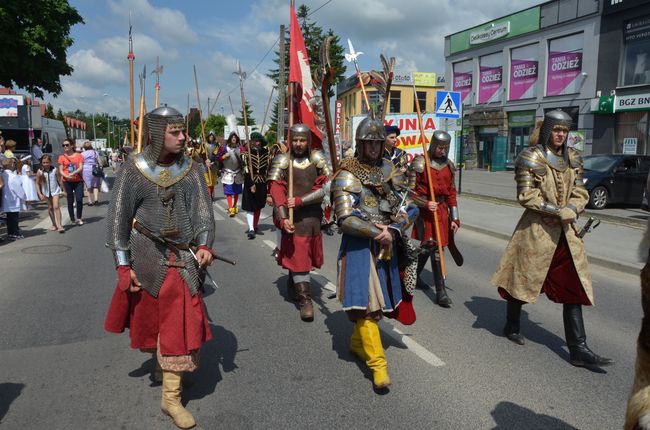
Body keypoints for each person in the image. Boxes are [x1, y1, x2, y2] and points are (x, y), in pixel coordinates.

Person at [104, 106, 215, 429]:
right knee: (155, 321)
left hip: (182, 257)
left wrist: (205, 245)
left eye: (184, 131)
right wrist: (123, 267)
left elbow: (203, 215)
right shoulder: (133, 170)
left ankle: (171, 397)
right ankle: (164, 369)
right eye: (175, 132)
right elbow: (117, 223)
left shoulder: (191, 170)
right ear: (156, 133)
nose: (183, 137)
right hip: (147, 255)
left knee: (180, 323)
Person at [492, 110, 613, 367]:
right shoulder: (530, 157)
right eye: (556, 130)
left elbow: (580, 190)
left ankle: (578, 349)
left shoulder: (573, 157)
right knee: (521, 282)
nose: (560, 134)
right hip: (537, 232)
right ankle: (511, 324)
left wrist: (573, 207)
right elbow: (526, 195)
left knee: (573, 287)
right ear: (548, 130)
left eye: (564, 131)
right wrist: (558, 212)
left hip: (566, 235)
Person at [331, 114, 418, 389]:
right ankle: (378, 365)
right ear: (359, 143)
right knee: (368, 307)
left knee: (376, 304)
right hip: (359, 248)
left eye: (377, 143)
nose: (373, 148)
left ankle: (358, 343)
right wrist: (376, 231)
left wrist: (392, 230)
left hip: (387, 247)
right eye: (368, 143)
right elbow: (344, 218)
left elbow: (409, 206)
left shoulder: (391, 170)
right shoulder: (346, 173)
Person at [267, 124, 331, 322]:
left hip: (312, 216)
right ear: (290, 140)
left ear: (308, 141)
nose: (298, 144)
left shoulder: (317, 159)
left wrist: (302, 200)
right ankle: (305, 300)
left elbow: (328, 186)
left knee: (304, 257)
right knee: (299, 256)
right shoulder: (283, 160)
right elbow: (276, 189)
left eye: (302, 140)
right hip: (292, 217)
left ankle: (294, 278)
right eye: (295, 140)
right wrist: (284, 216)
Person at [410, 130, 460, 307]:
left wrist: (455, 218)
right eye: (440, 147)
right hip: (426, 213)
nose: (443, 151)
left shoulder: (449, 165)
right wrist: (424, 203)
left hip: (441, 211)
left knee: (431, 247)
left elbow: (452, 193)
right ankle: (441, 292)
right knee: (433, 247)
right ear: (432, 145)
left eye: (445, 148)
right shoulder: (420, 163)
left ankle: (413, 275)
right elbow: (409, 192)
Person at [241, 132, 270, 239]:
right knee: (250, 206)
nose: (257, 142)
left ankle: (255, 225)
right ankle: (251, 229)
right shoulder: (246, 154)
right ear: (251, 141)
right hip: (250, 181)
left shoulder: (266, 152)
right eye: (255, 140)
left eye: (258, 140)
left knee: (258, 206)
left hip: (262, 182)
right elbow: (246, 169)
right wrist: (251, 183)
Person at [215, 132, 244, 216]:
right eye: (232, 137)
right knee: (229, 192)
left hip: (238, 172)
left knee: (236, 192)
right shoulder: (224, 148)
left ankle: (235, 207)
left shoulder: (241, 148)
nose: (234, 139)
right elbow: (217, 157)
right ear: (230, 139)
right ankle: (230, 208)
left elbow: (245, 158)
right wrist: (224, 156)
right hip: (228, 172)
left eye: (235, 137)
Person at [58, 138, 85, 225]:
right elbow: (61, 170)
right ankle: (72, 219)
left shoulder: (79, 156)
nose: (65, 146)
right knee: (70, 200)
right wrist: (66, 176)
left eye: (67, 145)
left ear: (72, 145)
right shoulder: (62, 157)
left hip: (78, 180)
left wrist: (74, 172)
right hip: (67, 181)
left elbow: (81, 167)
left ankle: (79, 218)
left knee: (79, 199)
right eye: (64, 145)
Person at [36, 154, 65, 232]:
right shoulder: (40, 172)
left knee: (56, 206)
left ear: (50, 162)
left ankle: (59, 225)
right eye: (44, 162)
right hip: (46, 192)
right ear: (41, 163)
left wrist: (63, 190)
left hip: (55, 191)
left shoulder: (55, 170)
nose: (45, 164)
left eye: (47, 162)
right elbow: (37, 183)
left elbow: (59, 180)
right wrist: (40, 194)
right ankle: (54, 224)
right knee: (50, 208)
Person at [1, 158, 26, 240]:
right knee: (14, 218)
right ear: (11, 165)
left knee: (9, 218)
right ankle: (15, 233)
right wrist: (24, 197)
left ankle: (10, 233)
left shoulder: (2, 175)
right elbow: (18, 189)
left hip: (5, 200)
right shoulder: (13, 176)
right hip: (13, 200)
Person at [81, 141, 101, 206]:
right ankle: (96, 199)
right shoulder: (95, 152)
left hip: (86, 170)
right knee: (95, 185)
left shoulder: (82, 154)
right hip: (94, 169)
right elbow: (99, 161)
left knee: (87, 186)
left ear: (84, 147)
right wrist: (100, 167)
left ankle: (89, 201)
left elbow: (81, 163)